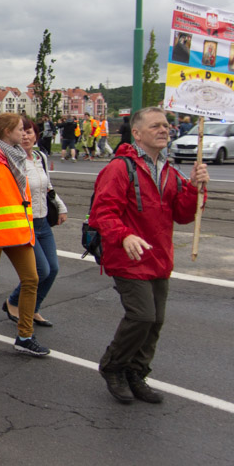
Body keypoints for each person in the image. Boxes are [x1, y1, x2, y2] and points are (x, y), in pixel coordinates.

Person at [90, 107, 208, 404]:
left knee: (155, 322)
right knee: (142, 316)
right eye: (156, 126)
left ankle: (136, 372)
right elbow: (102, 213)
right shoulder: (120, 168)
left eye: (166, 125)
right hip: (126, 257)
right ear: (138, 133)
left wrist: (195, 188)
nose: (164, 130)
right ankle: (113, 367)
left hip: (159, 257)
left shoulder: (169, 170)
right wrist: (124, 234)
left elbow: (182, 214)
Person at [0, 113, 50, 357]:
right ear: (7, 132)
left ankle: (25, 336)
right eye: (20, 130)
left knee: (32, 279)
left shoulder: (16, 157)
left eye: (26, 130)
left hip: (18, 231)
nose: (24, 134)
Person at [2, 119, 66, 328]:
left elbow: (48, 186)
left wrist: (60, 207)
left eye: (30, 133)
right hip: (25, 222)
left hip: (43, 222)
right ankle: (13, 302)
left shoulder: (41, 158)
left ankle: (33, 308)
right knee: (41, 270)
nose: (26, 136)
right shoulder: (14, 160)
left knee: (53, 269)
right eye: (23, 132)